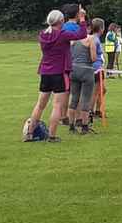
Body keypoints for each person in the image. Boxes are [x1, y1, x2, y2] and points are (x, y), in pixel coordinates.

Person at [26, 8, 87, 142]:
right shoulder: (63, 34)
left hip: (45, 73)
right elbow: (82, 34)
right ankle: (52, 136)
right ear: (61, 20)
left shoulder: (43, 34)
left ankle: (30, 133)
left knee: (40, 104)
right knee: (57, 105)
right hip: (59, 73)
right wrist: (82, 19)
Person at [67, 19, 97, 134]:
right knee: (86, 98)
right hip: (86, 70)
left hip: (73, 70)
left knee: (74, 97)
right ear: (88, 28)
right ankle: (84, 126)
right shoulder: (90, 39)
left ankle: (71, 125)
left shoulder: (72, 40)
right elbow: (94, 58)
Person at [89, 18, 106, 122]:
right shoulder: (94, 39)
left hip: (98, 68)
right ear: (101, 28)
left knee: (103, 90)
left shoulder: (95, 39)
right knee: (95, 92)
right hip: (96, 69)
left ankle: (98, 110)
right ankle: (90, 112)